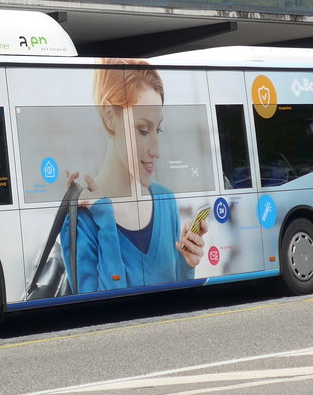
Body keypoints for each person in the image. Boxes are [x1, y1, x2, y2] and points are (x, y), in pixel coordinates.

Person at [62, 59, 206, 293]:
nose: (156, 150)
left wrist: (186, 261)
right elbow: (98, 308)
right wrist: (106, 224)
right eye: (143, 130)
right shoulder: (80, 219)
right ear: (110, 115)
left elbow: (177, 297)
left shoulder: (165, 200)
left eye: (157, 130)